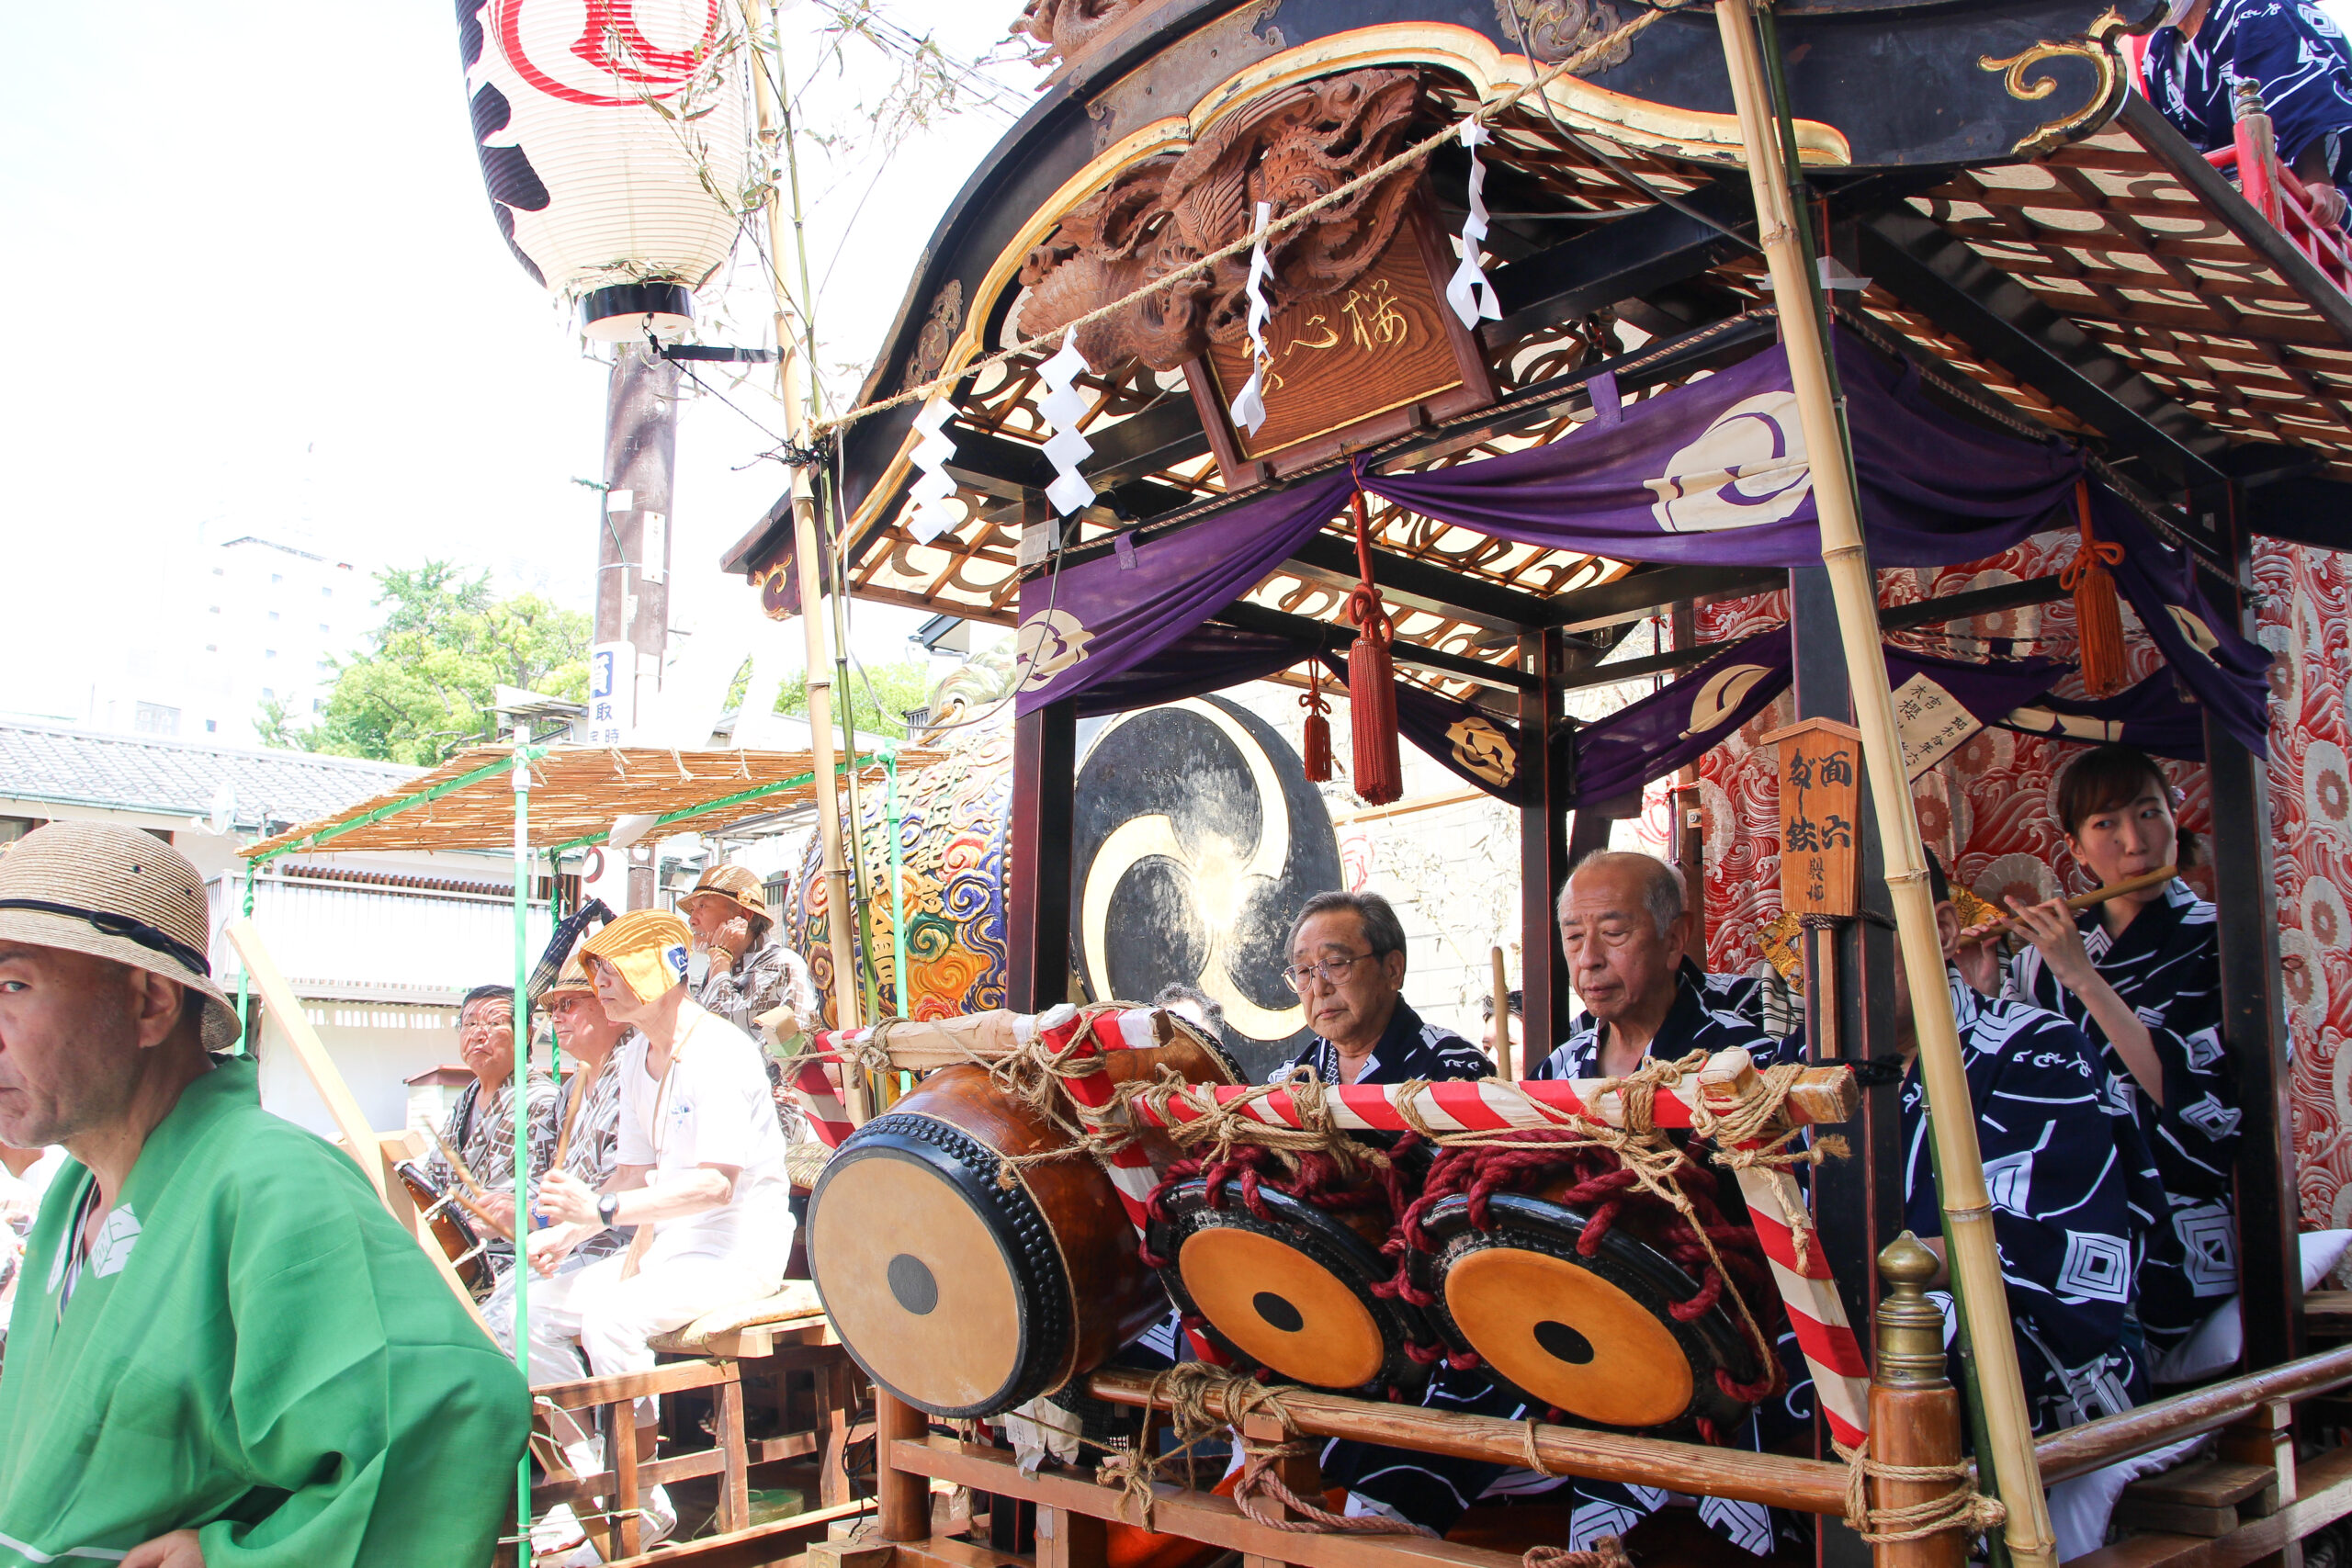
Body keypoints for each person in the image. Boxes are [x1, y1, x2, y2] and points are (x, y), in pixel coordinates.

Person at [0, 820, 526, 1565]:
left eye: (13, 985)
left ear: (151, 1002)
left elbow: (448, 1412)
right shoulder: (72, 1193)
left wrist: (239, 1557)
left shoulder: (276, 1181)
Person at [1900, 852, 2165, 1559]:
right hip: (1859, 1324)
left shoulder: (2035, 1047)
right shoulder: (1802, 1059)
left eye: (1870, 933)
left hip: (2035, 1341)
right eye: (1816, 942)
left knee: (1923, 1341)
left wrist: (1874, 1265)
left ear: (1943, 928)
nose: (1837, 966)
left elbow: (2040, 1248)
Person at [521, 908, 795, 1551]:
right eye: (597, 972)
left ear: (660, 971)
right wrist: (569, 1232)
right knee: (524, 1313)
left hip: (737, 1251)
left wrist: (600, 1212)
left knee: (610, 1319)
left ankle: (638, 1501)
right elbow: (632, 1174)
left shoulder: (718, 1052)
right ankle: (589, 1483)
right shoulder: (637, 1059)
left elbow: (716, 1184)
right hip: (671, 1248)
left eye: (611, 970)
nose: (601, 984)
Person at [1977, 744, 2232, 1351]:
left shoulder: (2224, 938)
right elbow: (2012, 1098)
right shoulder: (2038, 963)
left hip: (2178, 1212)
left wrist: (2085, 979)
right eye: (2105, 824)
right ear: (2076, 847)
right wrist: (1984, 991)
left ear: (2174, 816)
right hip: (2070, 1206)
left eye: (2148, 813)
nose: (2135, 843)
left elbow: (2204, 1109)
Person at [479, 953, 633, 1356]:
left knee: (510, 1320)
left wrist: (537, 1217)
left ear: (610, 1005)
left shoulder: (636, 1074)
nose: (557, 1017)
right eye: (553, 1008)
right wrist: (513, 1210)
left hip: (620, 1244)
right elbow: (542, 1180)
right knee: (482, 1314)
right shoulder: (569, 1092)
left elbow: (627, 1184)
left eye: (569, 1004)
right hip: (567, 1246)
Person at [2145, 0, 2352, 227]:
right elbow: (2174, 142)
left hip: (2313, 188)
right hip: (2230, 200)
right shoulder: (2157, 52)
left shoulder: (2253, 8)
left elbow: (2298, 93)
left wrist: (2316, 178)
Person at [1279, 891, 1491, 1085]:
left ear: (1392, 970)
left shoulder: (1455, 1070)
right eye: (1304, 971)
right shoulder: (1287, 1082)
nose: (1318, 989)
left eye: (1335, 964)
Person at [423, 981, 558, 1280]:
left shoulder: (541, 1100)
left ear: (525, 1034)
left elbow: (533, 1197)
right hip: (451, 1252)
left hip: (512, 1262)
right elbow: (434, 1179)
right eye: (469, 1024)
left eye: (494, 1023)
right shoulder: (465, 1100)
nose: (478, 1034)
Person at [680, 863, 819, 1035]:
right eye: (692, 909)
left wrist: (720, 957)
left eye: (702, 906)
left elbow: (724, 1033)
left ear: (743, 915)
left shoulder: (781, 965)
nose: (692, 920)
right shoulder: (722, 967)